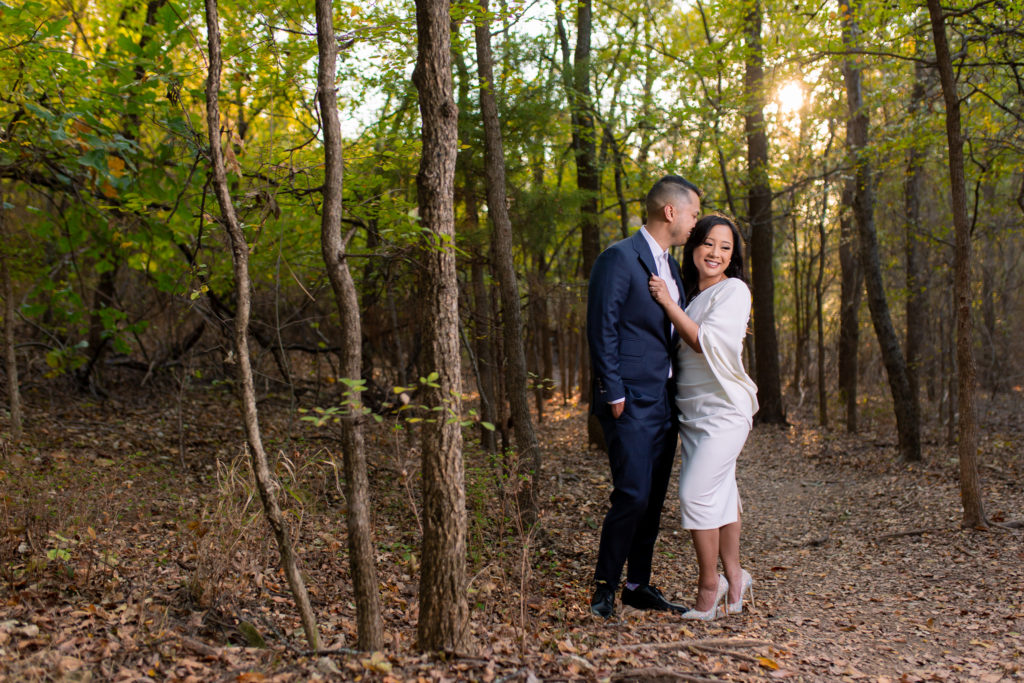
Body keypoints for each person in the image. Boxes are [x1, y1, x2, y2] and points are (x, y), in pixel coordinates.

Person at [586, 175, 702, 618]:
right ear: (670, 212)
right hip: (628, 400)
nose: (695, 223)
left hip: (664, 401)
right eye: (692, 213)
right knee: (632, 494)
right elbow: (603, 327)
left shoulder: (671, 267)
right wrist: (611, 389)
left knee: (652, 500)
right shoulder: (618, 258)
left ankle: (638, 585)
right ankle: (604, 588)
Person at [648, 213, 758, 620]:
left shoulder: (734, 291)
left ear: (733, 257)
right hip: (693, 413)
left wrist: (666, 302)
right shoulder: (689, 294)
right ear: (694, 245)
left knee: (694, 494)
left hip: (725, 409)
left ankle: (708, 585)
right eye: (709, 243)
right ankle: (735, 576)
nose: (715, 253)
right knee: (722, 495)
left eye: (725, 247)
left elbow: (702, 341)